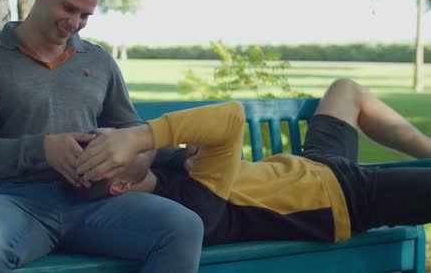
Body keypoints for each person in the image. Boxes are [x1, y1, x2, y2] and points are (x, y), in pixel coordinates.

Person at [0, 0, 203, 272]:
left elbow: (134, 134)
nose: (74, 23)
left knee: (184, 227)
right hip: (18, 205)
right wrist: (43, 148)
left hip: (95, 204)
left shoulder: (98, 62)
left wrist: (181, 157)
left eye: (85, 15)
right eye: (68, 8)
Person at [75, 78, 431, 245]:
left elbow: (195, 148)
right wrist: (140, 137)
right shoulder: (191, 207)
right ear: (120, 185)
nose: (117, 139)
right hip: (345, 199)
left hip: (315, 163)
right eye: (110, 152)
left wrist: (176, 153)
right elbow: (230, 118)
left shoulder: (157, 169)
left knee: (345, 90)